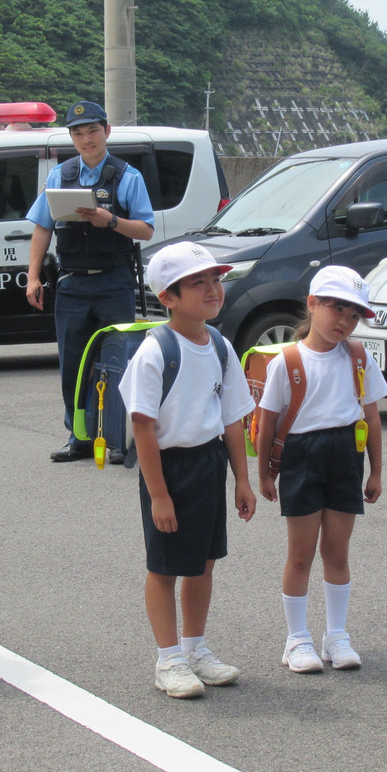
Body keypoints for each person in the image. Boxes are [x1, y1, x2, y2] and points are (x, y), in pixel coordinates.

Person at [119, 241, 257, 699]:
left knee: (202, 564)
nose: (213, 289)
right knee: (165, 567)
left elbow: (233, 417)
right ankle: (169, 659)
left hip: (208, 461)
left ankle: (195, 649)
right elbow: (143, 425)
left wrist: (242, 478)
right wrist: (159, 494)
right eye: (198, 282)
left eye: (215, 280)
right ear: (168, 297)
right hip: (168, 467)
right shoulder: (155, 351)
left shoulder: (219, 344)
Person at [255, 266, 387, 674]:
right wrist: (263, 474)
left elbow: (373, 417)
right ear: (312, 304)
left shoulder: (360, 358)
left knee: (337, 550)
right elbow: (267, 422)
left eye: (353, 315)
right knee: (300, 555)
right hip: (302, 456)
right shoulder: (289, 360)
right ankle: (297, 638)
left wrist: (376, 471)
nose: (344, 321)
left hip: (346, 454)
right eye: (337, 309)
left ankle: (336, 634)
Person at [25, 100, 155, 462]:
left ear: (107, 132)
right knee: (74, 365)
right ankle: (78, 437)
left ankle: (117, 437)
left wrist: (109, 220)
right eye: (78, 133)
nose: (86, 140)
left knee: (120, 363)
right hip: (72, 285)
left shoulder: (127, 176)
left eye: (93, 131)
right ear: (72, 137)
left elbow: (145, 229)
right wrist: (33, 276)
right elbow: (42, 228)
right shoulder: (59, 176)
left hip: (114, 283)